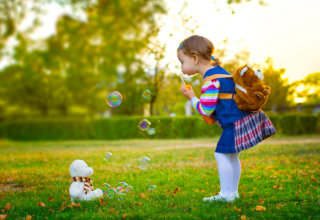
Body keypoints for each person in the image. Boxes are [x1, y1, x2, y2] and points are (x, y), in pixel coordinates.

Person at [177, 35, 276, 202]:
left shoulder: (210, 80)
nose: (181, 67)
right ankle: (233, 193)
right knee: (231, 156)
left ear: (194, 58)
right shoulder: (222, 73)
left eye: (182, 62)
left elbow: (205, 108)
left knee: (221, 155)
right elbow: (222, 102)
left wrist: (192, 98)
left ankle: (225, 194)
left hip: (235, 123)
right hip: (244, 119)